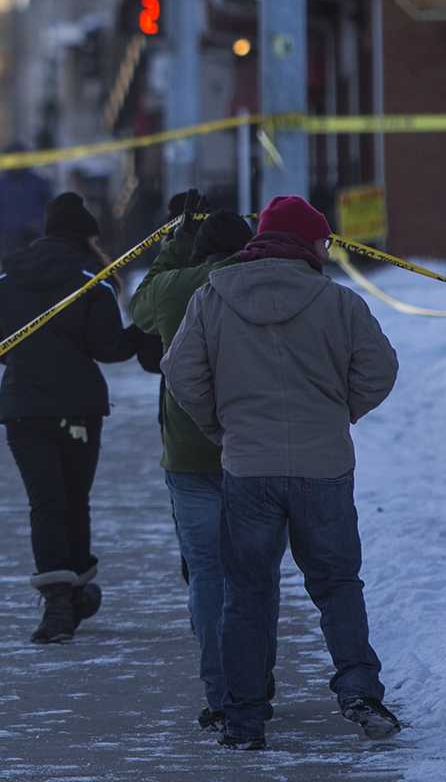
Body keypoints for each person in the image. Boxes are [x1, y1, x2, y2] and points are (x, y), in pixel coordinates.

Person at [161, 194, 401, 749]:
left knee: (247, 593)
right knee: (338, 584)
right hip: (324, 468)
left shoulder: (212, 298)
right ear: (308, 244)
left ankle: (244, 717)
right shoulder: (338, 302)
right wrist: (340, 414)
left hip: (248, 468)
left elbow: (181, 372)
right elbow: (380, 370)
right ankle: (360, 692)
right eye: (321, 240)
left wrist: (223, 426)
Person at [0, 191, 162, 644]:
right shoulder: (92, 282)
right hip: (78, 407)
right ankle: (70, 595)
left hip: (23, 408)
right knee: (73, 499)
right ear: (87, 238)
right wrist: (145, 332)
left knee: (44, 502)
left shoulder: (7, 279)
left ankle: (63, 599)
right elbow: (108, 348)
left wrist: (32, 364)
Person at [129, 191, 266, 732]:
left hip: (188, 453)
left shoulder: (176, 286)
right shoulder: (265, 283)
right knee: (253, 576)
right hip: (253, 447)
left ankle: (221, 692)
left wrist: (176, 240)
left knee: (206, 575)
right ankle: (257, 680)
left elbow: (140, 303)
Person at [0, 146, 54, 258]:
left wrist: (40, 223)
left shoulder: (38, 182)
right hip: (10, 236)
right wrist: (1, 226)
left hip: (35, 235)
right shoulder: (0, 185)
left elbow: (51, 206)